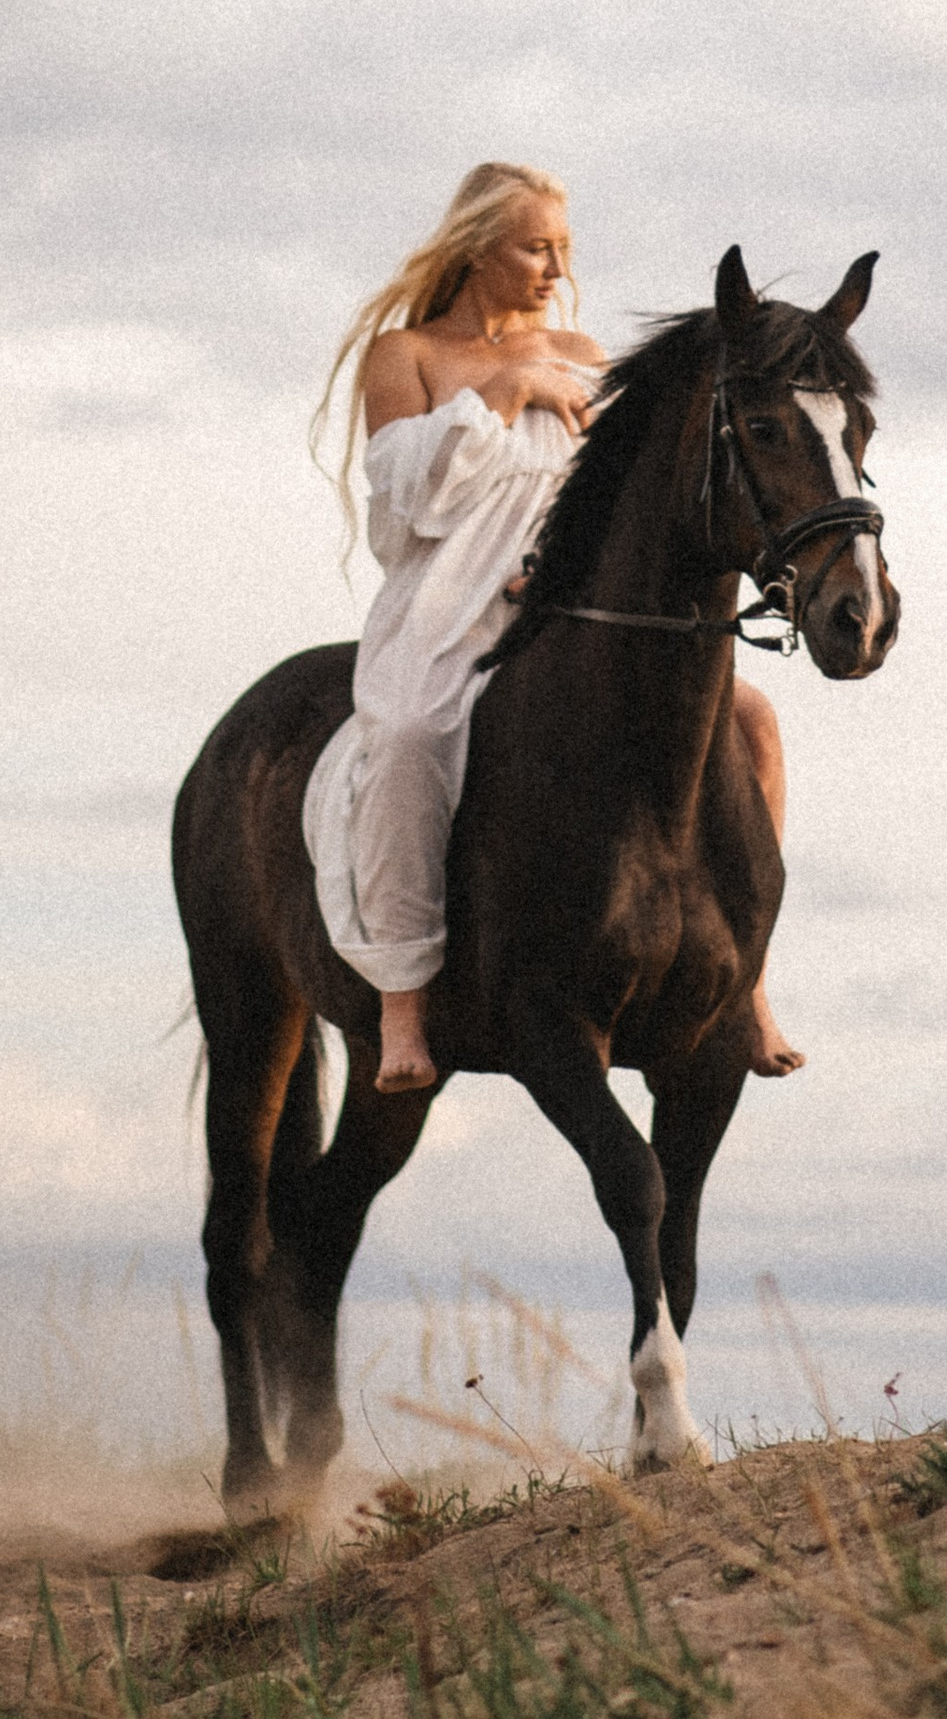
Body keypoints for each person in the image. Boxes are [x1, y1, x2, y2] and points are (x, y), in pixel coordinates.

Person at [310, 160, 803, 1094]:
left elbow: (623, 499)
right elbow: (404, 509)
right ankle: (402, 1004)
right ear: (476, 248)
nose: (552, 266)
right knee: (410, 739)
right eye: (534, 245)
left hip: (572, 612)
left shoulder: (584, 356)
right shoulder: (405, 357)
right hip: (450, 615)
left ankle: (750, 981)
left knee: (752, 721)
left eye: (561, 249)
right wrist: (504, 394)